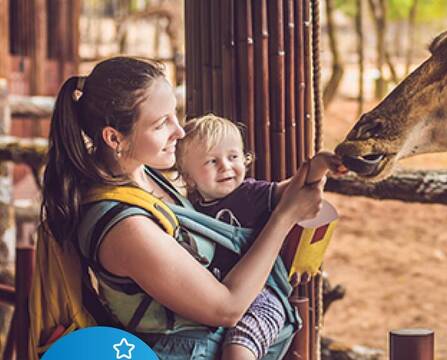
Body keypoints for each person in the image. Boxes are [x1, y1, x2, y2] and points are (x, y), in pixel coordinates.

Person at [41, 56, 327, 360]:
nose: (179, 132)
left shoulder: (143, 174)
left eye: (174, 114)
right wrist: (285, 217)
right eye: (160, 123)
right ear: (114, 138)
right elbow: (226, 308)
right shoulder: (125, 227)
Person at [175, 114, 345, 359]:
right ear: (189, 177)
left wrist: (320, 164)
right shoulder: (189, 209)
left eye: (233, 157)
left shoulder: (251, 193)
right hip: (217, 296)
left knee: (239, 349)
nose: (226, 166)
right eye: (212, 161)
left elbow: (299, 186)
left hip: (262, 295)